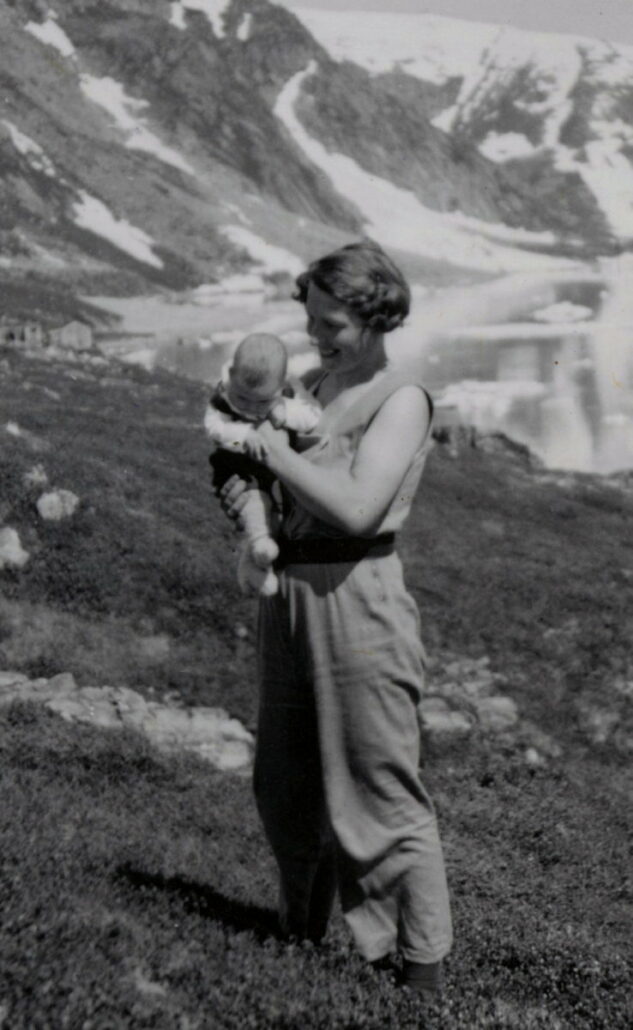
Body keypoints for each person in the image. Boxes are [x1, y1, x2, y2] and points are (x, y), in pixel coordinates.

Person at [217, 240, 453, 999]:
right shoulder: (313, 386)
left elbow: (355, 509)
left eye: (333, 324)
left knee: (378, 790)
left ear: (376, 316)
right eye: (311, 319)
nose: (316, 336)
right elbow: (266, 482)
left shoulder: (401, 397)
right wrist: (250, 513)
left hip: (360, 596)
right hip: (289, 594)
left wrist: (267, 450)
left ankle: (419, 975)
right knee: (284, 782)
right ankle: (298, 935)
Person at [205, 332, 321, 595]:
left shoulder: (287, 394)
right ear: (232, 375)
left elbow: (313, 418)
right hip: (236, 460)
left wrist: (286, 412)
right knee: (256, 501)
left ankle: (256, 566)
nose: (253, 409)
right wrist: (243, 436)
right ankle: (259, 546)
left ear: (280, 387)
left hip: (272, 470)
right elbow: (214, 429)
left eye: (263, 402)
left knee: (276, 512)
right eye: (243, 399)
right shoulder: (222, 393)